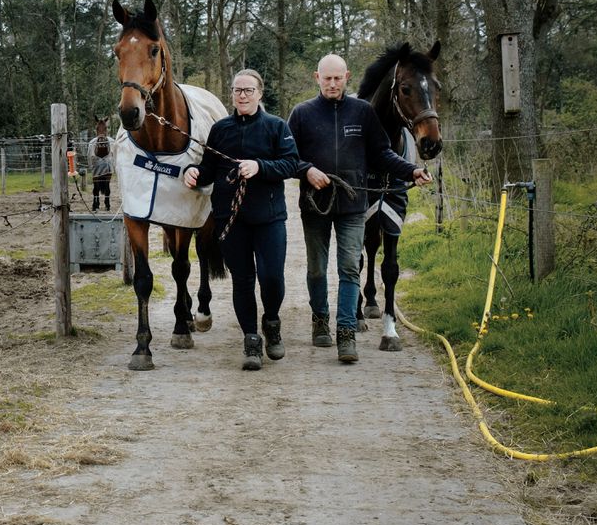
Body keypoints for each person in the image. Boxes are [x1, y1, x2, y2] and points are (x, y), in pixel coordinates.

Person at [288, 54, 432, 364]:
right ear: (317, 78)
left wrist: (411, 171)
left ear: (347, 77)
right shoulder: (301, 114)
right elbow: (288, 157)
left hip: (353, 206)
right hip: (315, 205)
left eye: (338, 78)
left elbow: (381, 154)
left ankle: (346, 333)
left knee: (350, 267)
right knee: (316, 268)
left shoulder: (363, 112)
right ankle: (320, 319)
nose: (332, 83)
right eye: (327, 78)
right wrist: (307, 170)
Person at [183, 70, 299, 371]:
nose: (242, 95)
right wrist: (193, 174)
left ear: (260, 93)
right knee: (243, 280)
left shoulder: (277, 127)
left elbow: (290, 163)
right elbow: (208, 169)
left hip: (269, 217)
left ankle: (271, 321)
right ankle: (250, 339)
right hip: (231, 219)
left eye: (248, 90)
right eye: (237, 90)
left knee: (272, 277)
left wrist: (259, 166)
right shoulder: (220, 130)